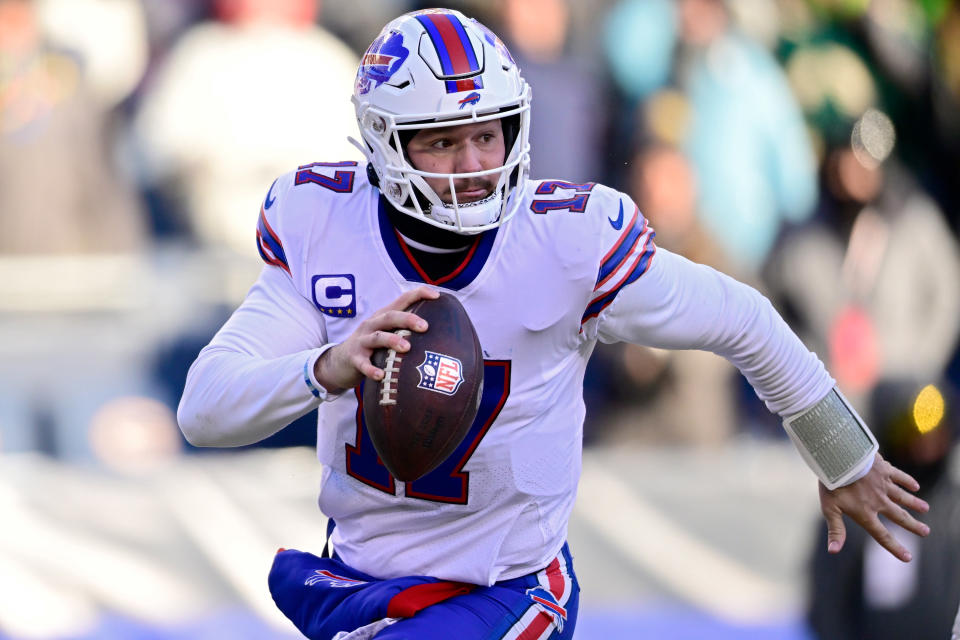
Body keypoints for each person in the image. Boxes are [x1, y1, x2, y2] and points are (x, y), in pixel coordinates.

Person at [177, 9, 930, 640]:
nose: (474, 161)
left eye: (489, 133)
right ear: (383, 143)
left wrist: (845, 458)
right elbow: (204, 411)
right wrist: (322, 368)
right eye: (441, 140)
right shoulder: (323, 226)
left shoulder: (563, 242)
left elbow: (744, 319)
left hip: (506, 591)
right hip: (362, 583)